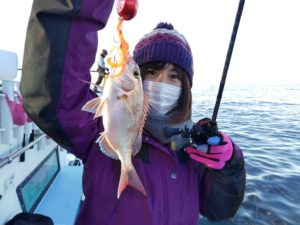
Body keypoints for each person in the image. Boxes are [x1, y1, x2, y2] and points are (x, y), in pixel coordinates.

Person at [20, 1, 245, 225]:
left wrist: (229, 166)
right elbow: (52, 93)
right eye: (151, 72)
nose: (161, 82)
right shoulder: (99, 127)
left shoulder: (195, 146)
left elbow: (219, 210)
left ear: (186, 87)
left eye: (174, 76)